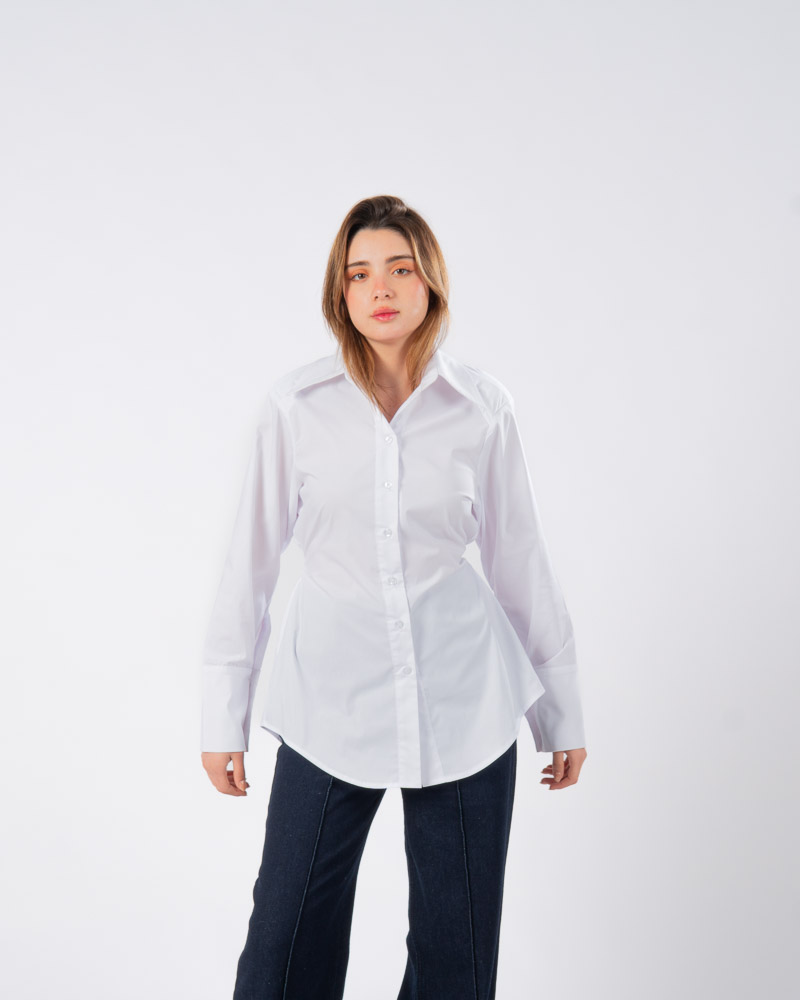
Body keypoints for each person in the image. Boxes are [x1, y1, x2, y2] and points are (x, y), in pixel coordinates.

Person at [199, 194, 588, 1000]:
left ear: (429, 282)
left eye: (400, 269)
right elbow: (248, 565)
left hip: (466, 704)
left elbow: (520, 560)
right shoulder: (295, 408)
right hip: (327, 706)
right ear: (339, 292)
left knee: (457, 962)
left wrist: (562, 715)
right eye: (359, 273)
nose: (380, 288)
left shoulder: (482, 408)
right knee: (284, 944)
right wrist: (220, 716)